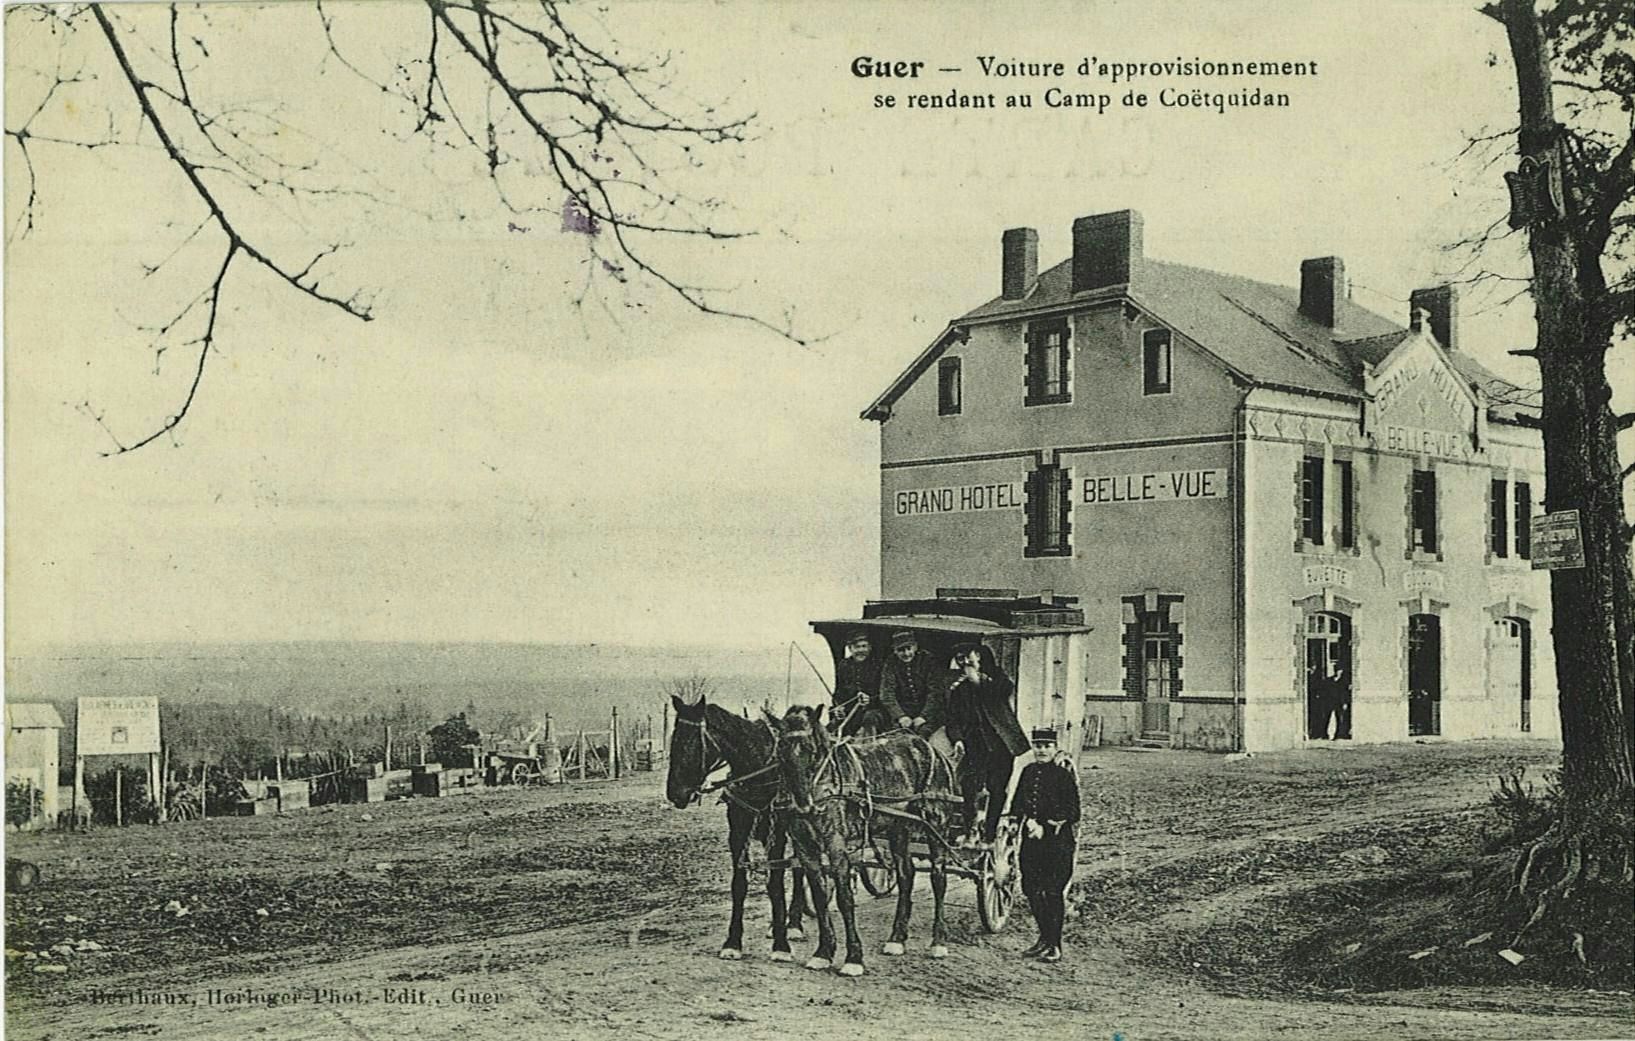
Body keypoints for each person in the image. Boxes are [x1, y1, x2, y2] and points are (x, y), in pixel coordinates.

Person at [945, 643, 1029, 846]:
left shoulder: (998, 679)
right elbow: (952, 719)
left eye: (968, 656)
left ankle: (989, 834)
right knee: (968, 786)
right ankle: (970, 829)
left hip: (1001, 744)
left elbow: (1003, 691)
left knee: (997, 788)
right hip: (975, 745)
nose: (965, 662)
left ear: (980, 656)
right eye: (960, 658)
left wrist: (978, 680)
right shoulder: (959, 690)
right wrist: (957, 739)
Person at [1011, 727, 1080, 963]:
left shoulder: (1063, 776)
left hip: (1057, 845)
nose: (1041, 750)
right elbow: (1018, 801)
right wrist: (1016, 821)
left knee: (1052, 892)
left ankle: (1055, 945)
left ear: (1054, 748)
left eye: (1046, 746)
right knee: (1030, 888)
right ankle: (1043, 938)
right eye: (1037, 746)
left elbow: (1072, 811)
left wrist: (1046, 827)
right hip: (1031, 843)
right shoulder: (1028, 771)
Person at [878, 631, 945, 739]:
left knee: (924, 736)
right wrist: (900, 716)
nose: (906, 653)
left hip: (929, 713)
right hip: (904, 712)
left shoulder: (928, 660)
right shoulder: (890, 664)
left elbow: (936, 692)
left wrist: (924, 716)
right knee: (897, 738)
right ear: (895, 651)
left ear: (915, 647)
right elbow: (887, 693)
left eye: (909, 648)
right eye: (901, 650)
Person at [832, 630, 881, 736]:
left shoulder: (878, 665)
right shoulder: (844, 665)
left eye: (864, 646)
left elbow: (886, 693)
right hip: (851, 712)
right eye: (856, 647)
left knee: (870, 718)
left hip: (875, 711)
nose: (861, 650)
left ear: (870, 648)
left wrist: (870, 700)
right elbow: (839, 692)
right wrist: (838, 707)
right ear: (850, 649)